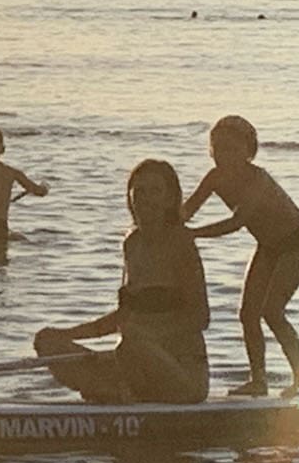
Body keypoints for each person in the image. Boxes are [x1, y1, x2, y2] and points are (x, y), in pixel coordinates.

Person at [33, 159, 209, 403]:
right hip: (132, 359)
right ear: (129, 197)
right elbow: (123, 316)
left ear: (170, 198)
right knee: (47, 342)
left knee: (130, 343)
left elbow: (200, 317)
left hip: (181, 371)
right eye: (140, 191)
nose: (146, 199)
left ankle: (115, 390)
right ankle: (115, 390)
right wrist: (65, 335)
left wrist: (147, 338)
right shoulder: (132, 243)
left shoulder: (181, 242)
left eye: (155, 191)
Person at [183, 115, 299, 396]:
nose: (223, 154)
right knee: (247, 315)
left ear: (248, 151)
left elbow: (237, 222)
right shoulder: (214, 178)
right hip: (268, 246)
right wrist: (157, 222)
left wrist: (193, 235)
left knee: (272, 312)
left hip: (296, 243)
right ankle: (259, 381)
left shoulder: (258, 179)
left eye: (231, 148)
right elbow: (187, 210)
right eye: (217, 148)